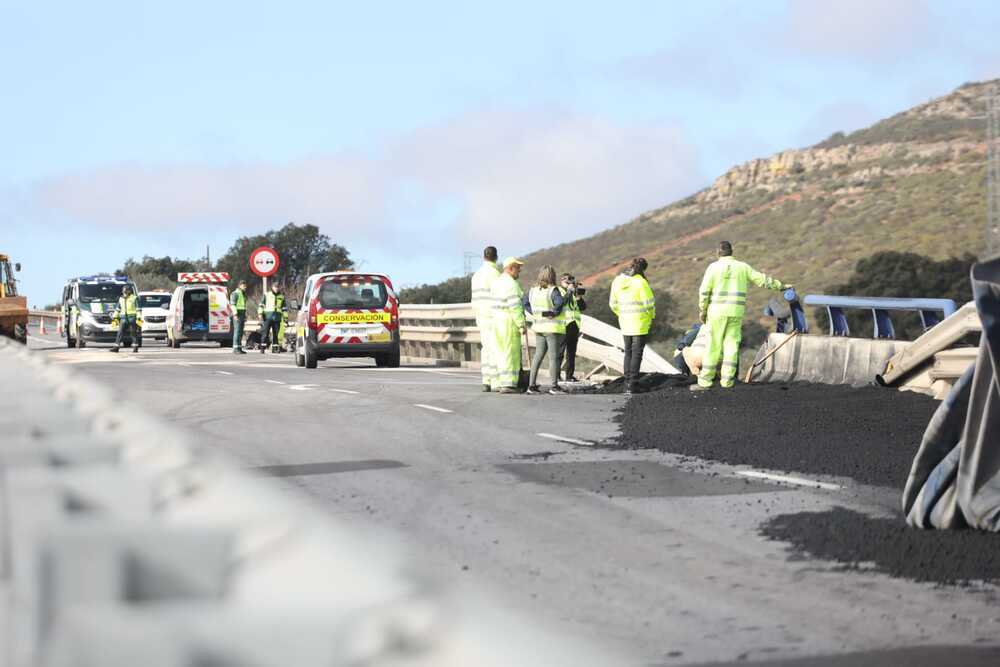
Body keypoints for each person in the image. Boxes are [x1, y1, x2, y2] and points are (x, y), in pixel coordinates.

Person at [693, 241, 791, 391]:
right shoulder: (742, 267)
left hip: (716, 312)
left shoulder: (713, 268)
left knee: (713, 345)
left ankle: (705, 381)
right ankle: (727, 382)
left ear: (717, 252)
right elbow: (762, 280)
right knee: (731, 345)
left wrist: (703, 310)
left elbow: (704, 292)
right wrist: (781, 286)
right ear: (732, 252)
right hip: (735, 312)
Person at [609, 258, 655, 395]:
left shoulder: (617, 281)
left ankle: (626, 383)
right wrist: (651, 316)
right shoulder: (641, 282)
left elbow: (612, 304)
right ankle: (632, 385)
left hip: (625, 322)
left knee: (628, 352)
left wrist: (622, 314)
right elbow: (649, 304)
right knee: (636, 353)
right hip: (640, 322)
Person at [523, 265, 567, 395]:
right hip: (551, 328)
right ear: (552, 275)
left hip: (538, 327)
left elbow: (524, 303)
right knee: (553, 358)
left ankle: (531, 386)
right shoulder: (553, 290)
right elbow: (559, 304)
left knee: (538, 356)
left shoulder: (532, 290)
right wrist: (553, 313)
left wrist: (536, 314)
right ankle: (554, 386)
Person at [489, 257, 525, 394]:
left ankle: (496, 382)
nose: (519, 270)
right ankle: (509, 384)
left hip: (496, 320)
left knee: (498, 352)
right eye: (517, 268)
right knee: (510, 352)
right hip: (508, 322)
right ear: (510, 268)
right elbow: (515, 307)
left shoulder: (496, 282)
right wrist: (521, 324)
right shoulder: (511, 284)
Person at [471, 246, 501, 392]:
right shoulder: (495, 274)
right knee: (495, 348)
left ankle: (486, 380)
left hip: (481, 316)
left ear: (484, 257)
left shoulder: (476, 275)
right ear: (496, 257)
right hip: (492, 316)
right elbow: (499, 297)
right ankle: (495, 382)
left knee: (486, 349)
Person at [557, 273, 586, 382]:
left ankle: (569, 376)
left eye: (570, 283)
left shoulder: (573, 293)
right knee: (560, 352)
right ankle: (556, 375)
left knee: (571, 353)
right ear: (562, 281)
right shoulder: (558, 291)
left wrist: (578, 297)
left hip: (574, 325)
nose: (569, 285)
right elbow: (562, 303)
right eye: (567, 282)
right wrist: (569, 291)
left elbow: (583, 307)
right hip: (564, 325)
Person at [110, 285, 140, 353]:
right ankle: (116, 347)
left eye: (126, 291)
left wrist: (139, 318)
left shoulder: (134, 298)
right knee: (120, 333)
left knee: (133, 333)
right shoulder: (121, 299)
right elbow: (118, 309)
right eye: (124, 292)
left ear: (129, 291)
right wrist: (114, 317)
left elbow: (138, 309)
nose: (125, 293)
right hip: (123, 318)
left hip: (132, 318)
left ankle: (135, 347)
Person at [257, 283, 287, 354]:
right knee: (265, 333)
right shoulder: (267, 295)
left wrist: (286, 318)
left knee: (276, 334)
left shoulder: (282, 297)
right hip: (268, 317)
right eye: (275, 287)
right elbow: (261, 305)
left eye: (277, 287)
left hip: (277, 317)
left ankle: (275, 348)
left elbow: (284, 309)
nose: (276, 288)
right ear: (272, 287)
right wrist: (260, 313)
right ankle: (262, 348)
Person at [230, 280, 248, 354]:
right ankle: (235, 348)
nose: (245, 287)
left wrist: (245, 315)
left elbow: (243, 306)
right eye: (244, 286)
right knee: (237, 331)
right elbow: (233, 305)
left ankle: (239, 348)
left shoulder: (243, 294)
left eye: (245, 286)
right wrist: (235, 314)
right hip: (237, 314)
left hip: (242, 313)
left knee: (240, 332)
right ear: (240, 285)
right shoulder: (235, 293)